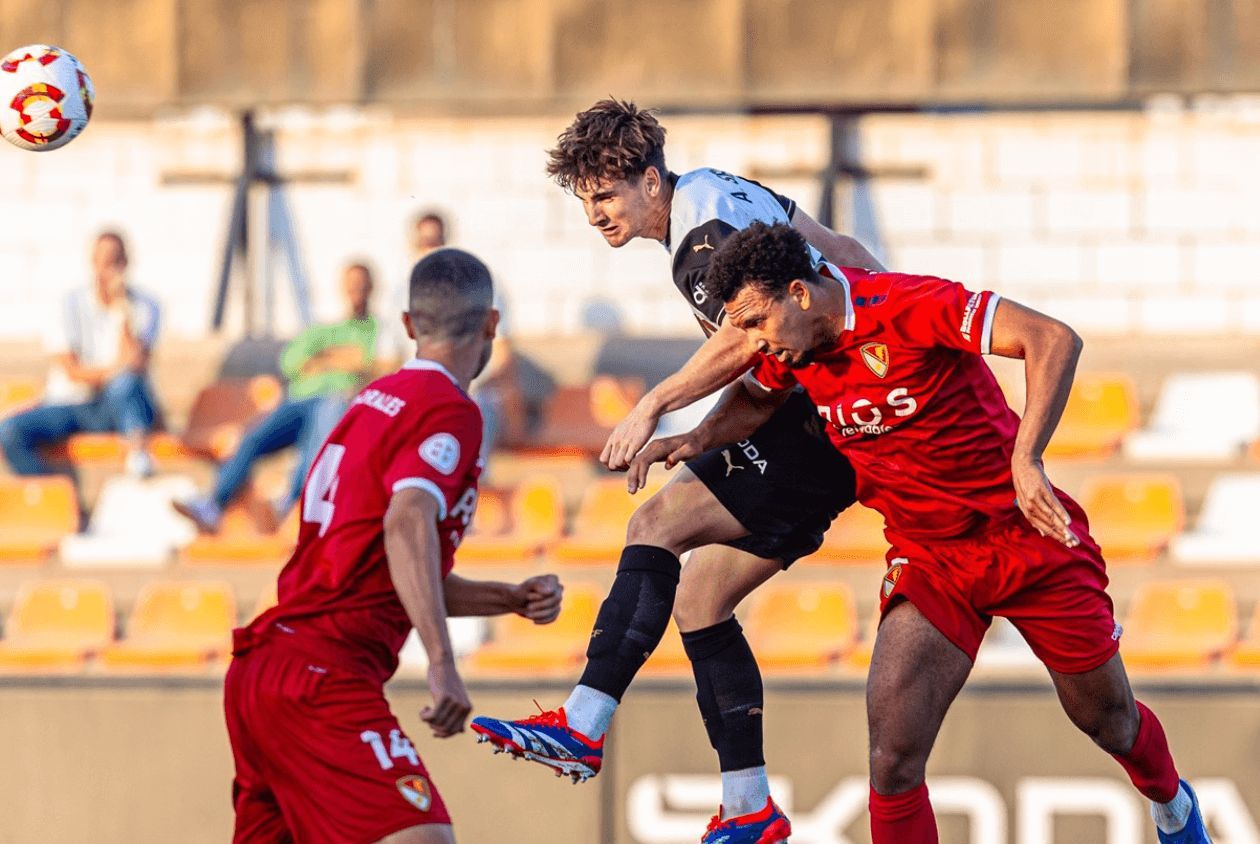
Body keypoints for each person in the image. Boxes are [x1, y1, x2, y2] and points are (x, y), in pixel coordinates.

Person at [628, 221, 1211, 844]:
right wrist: (696, 437)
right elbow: (755, 399)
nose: (752, 342)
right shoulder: (790, 349)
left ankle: (1172, 804)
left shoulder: (906, 305)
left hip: (1025, 537)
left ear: (799, 292)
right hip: (930, 558)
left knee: (1109, 722)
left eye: (755, 322)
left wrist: (1027, 457)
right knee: (892, 758)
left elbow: (1051, 338)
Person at [470, 99, 882, 841]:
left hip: (817, 424)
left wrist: (654, 407)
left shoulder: (701, 241)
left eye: (606, 195)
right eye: (585, 200)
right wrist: (894, 329)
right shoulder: (723, 188)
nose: (594, 215)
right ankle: (749, 805)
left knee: (654, 523)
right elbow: (843, 249)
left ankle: (583, 723)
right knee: (700, 600)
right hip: (828, 414)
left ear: (651, 182)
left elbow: (747, 340)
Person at [223, 248, 565, 844]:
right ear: (491, 324)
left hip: (265, 667)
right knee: (422, 839)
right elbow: (407, 525)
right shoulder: (450, 409)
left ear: (407, 325)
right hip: (323, 674)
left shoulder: (370, 402)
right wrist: (442, 662)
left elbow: (391, 567)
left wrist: (506, 599)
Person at [174, 262, 387, 532]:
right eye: (351, 285)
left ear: (372, 287)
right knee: (252, 438)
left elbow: (372, 365)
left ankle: (292, 503)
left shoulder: (378, 330)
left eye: (361, 285)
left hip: (337, 403)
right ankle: (213, 504)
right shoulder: (324, 329)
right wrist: (342, 359)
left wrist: (321, 358)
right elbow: (290, 362)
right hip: (298, 400)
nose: (356, 291)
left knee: (315, 441)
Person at [0, 230, 161, 481]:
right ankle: (57, 495)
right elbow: (73, 372)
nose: (109, 269)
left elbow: (136, 364)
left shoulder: (145, 306)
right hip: (71, 404)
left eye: (115, 260)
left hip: (117, 405)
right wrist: (115, 369)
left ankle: (138, 455)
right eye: (104, 261)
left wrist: (122, 310)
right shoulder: (69, 304)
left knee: (125, 385)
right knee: (10, 431)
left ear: (126, 263)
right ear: (92, 262)